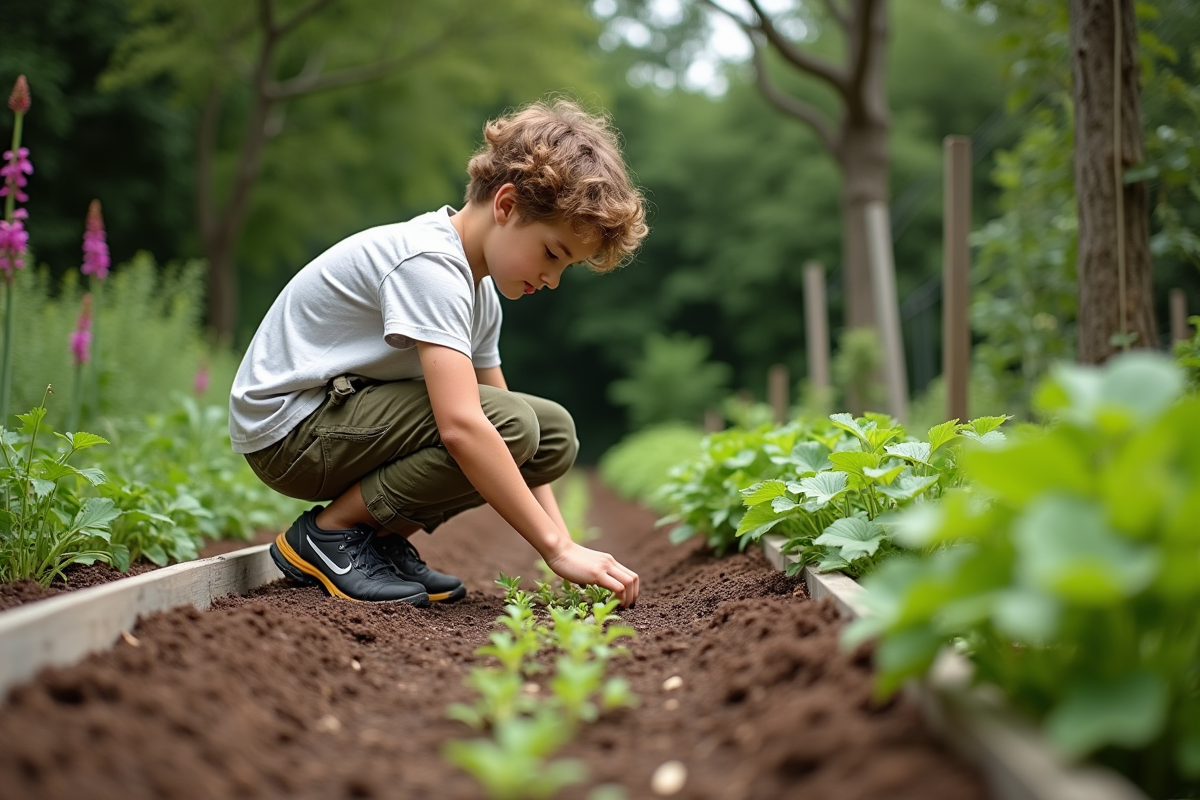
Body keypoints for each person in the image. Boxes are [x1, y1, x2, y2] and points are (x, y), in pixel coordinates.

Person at [229, 98, 647, 608]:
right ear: (507, 205)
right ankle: (330, 534)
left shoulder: (480, 292)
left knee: (551, 436)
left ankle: (376, 540)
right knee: (507, 427)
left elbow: (515, 431)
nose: (553, 280)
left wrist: (563, 546)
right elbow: (465, 426)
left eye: (567, 267)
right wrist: (556, 549)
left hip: (338, 422)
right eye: (552, 254)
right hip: (289, 430)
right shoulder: (430, 265)